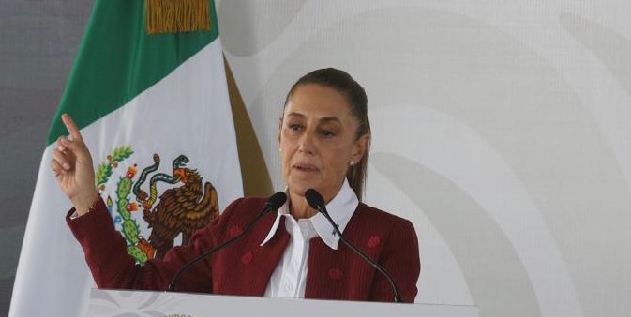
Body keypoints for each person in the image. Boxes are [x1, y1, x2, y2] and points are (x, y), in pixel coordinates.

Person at [51, 67, 420, 302]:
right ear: (279, 134)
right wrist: (86, 199)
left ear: (359, 147)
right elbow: (134, 293)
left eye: (326, 132)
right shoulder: (240, 223)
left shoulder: (387, 238)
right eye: (295, 127)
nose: (305, 144)